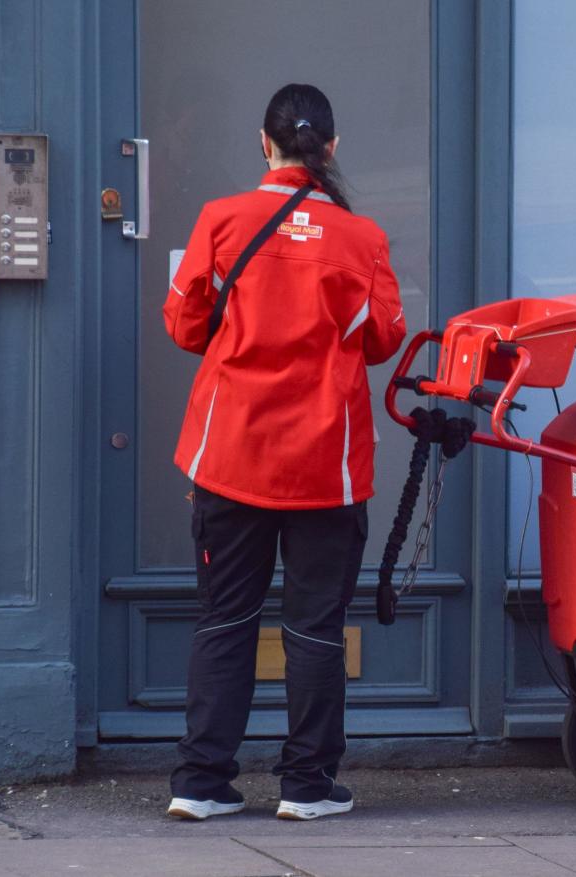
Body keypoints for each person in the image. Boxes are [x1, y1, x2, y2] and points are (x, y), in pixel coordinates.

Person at [161, 83, 405, 821]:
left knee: (223, 620)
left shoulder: (221, 220)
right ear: (330, 149)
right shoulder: (362, 240)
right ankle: (305, 784)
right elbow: (385, 340)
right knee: (314, 630)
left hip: (229, 453)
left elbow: (182, 322)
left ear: (262, 144)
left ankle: (200, 782)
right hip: (323, 465)